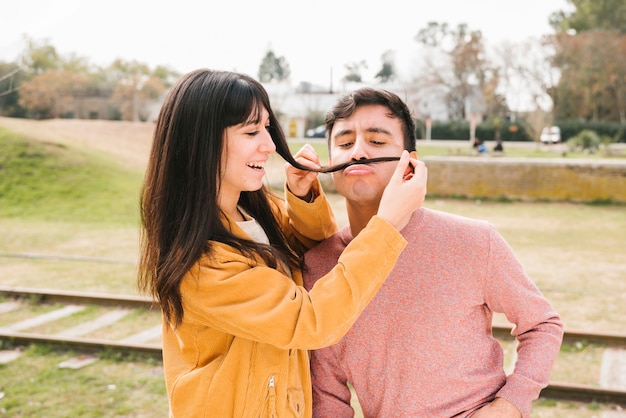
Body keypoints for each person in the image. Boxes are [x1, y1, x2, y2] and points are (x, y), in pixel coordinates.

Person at [137, 69, 428, 417]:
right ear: (202, 144)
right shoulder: (202, 264)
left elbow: (318, 255)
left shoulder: (258, 212)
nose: (270, 145)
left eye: (266, 128)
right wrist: (387, 225)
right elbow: (311, 320)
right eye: (251, 131)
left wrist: (302, 195)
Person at [302, 87, 564, 418]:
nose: (358, 152)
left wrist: (510, 405)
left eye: (377, 141)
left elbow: (542, 324)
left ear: (409, 163)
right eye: (343, 143)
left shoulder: (473, 240)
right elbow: (326, 394)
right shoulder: (319, 266)